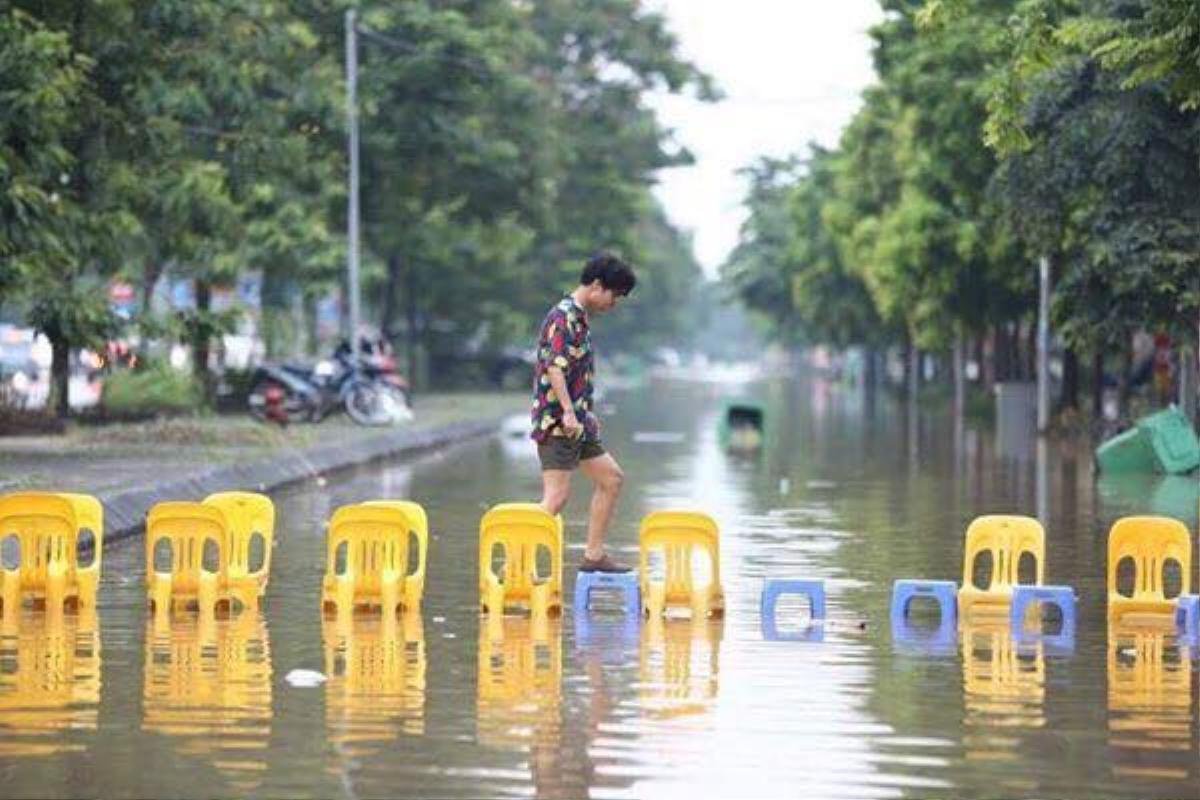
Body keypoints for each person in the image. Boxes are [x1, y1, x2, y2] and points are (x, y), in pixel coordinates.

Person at [531, 252, 636, 573]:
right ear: (596, 285)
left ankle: (593, 555)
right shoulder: (563, 317)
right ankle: (515, 563)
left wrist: (584, 412)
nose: (613, 303)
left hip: (577, 423)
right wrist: (568, 412)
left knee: (612, 479)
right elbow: (555, 368)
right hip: (559, 422)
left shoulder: (580, 318)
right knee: (556, 498)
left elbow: (575, 371)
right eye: (613, 295)